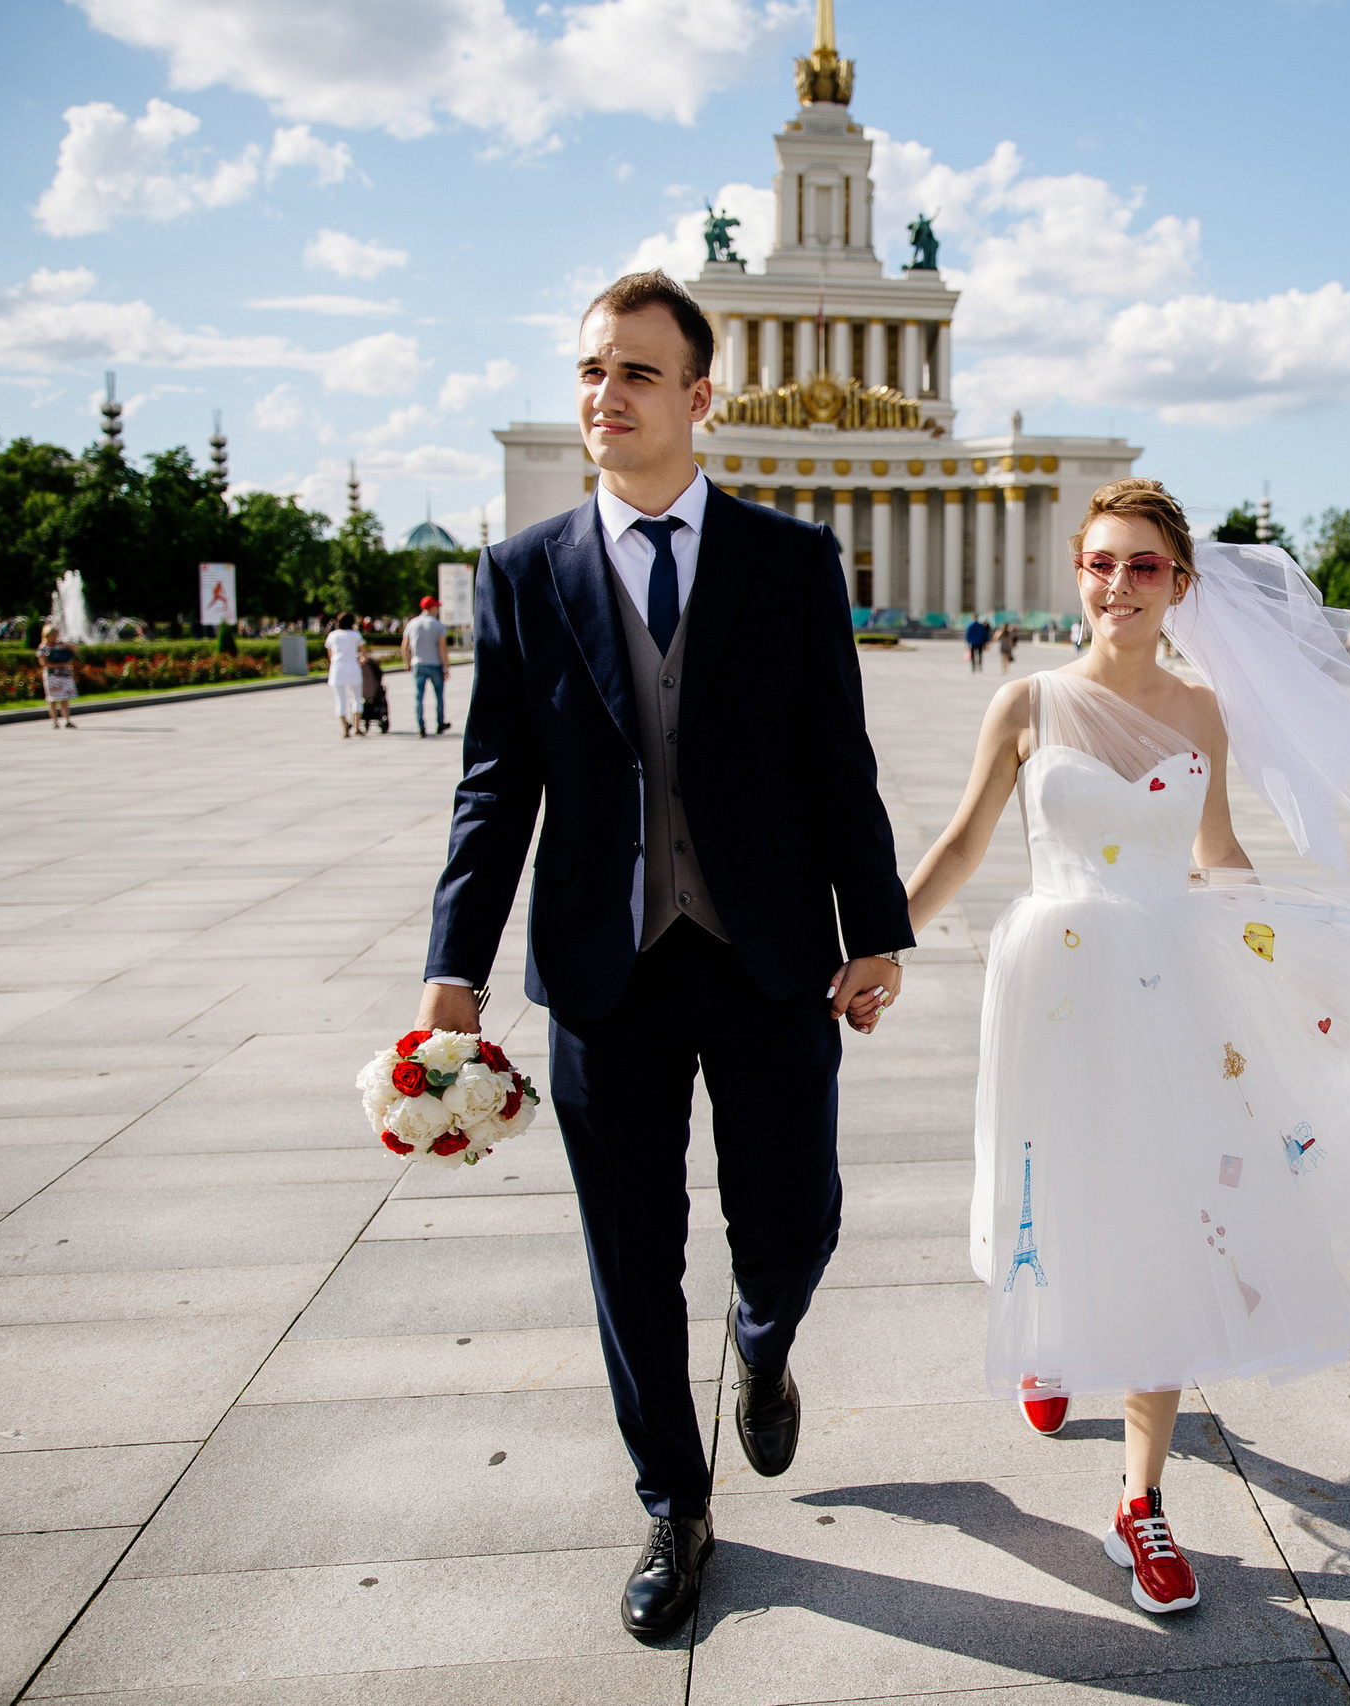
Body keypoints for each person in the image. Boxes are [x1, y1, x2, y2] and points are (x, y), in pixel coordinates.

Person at [854, 478, 1350, 1617]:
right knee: (1054, 1188)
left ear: (1180, 583)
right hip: (1053, 982)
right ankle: (1052, 1345)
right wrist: (880, 947)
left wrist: (1313, 956)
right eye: (1100, 563)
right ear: (1078, 574)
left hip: (1171, 988)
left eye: (1142, 566)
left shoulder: (1203, 712)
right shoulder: (1024, 702)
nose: (1118, 585)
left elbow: (1218, 852)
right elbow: (961, 844)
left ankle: (1138, 1501)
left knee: (1169, 1220)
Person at [415, 270, 913, 1643]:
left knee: (795, 1216)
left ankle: (763, 1343)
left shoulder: (791, 562)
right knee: (630, 1252)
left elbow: (836, 762)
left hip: (765, 958)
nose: (606, 394)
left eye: (637, 372)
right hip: (603, 969)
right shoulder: (525, 575)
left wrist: (874, 928)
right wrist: (452, 966)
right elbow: (494, 783)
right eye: (590, 369)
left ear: (699, 398)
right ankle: (671, 1506)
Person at [404, 595, 451, 737]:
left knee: (418, 697)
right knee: (439, 696)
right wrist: (446, 666)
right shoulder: (438, 625)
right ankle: (440, 723)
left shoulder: (412, 623)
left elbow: (404, 646)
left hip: (418, 664)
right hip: (435, 665)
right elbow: (442, 648)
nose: (437, 610)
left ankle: (420, 726)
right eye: (436, 607)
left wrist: (407, 662)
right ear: (431, 608)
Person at [328, 612, 366, 737]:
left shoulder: (332, 635)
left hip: (337, 669)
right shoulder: (356, 635)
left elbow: (330, 655)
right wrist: (361, 659)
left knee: (340, 700)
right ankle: (356, 727)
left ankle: (344, 728)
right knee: (356, 698)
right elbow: (363, 655)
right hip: (353, 668)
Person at [37, 625, 78, 728]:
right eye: (51, 635)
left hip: (64, 675)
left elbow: (76, 649)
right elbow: (44, 664)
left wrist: (67, 646)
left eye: (55, 635)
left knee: (65, 699)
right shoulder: (43, 648)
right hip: (52, 676)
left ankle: (67, 720)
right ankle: (55, 721)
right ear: (46, 635)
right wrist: (61, 664)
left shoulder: (60, 645)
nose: (53, 638)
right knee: (53, 699)